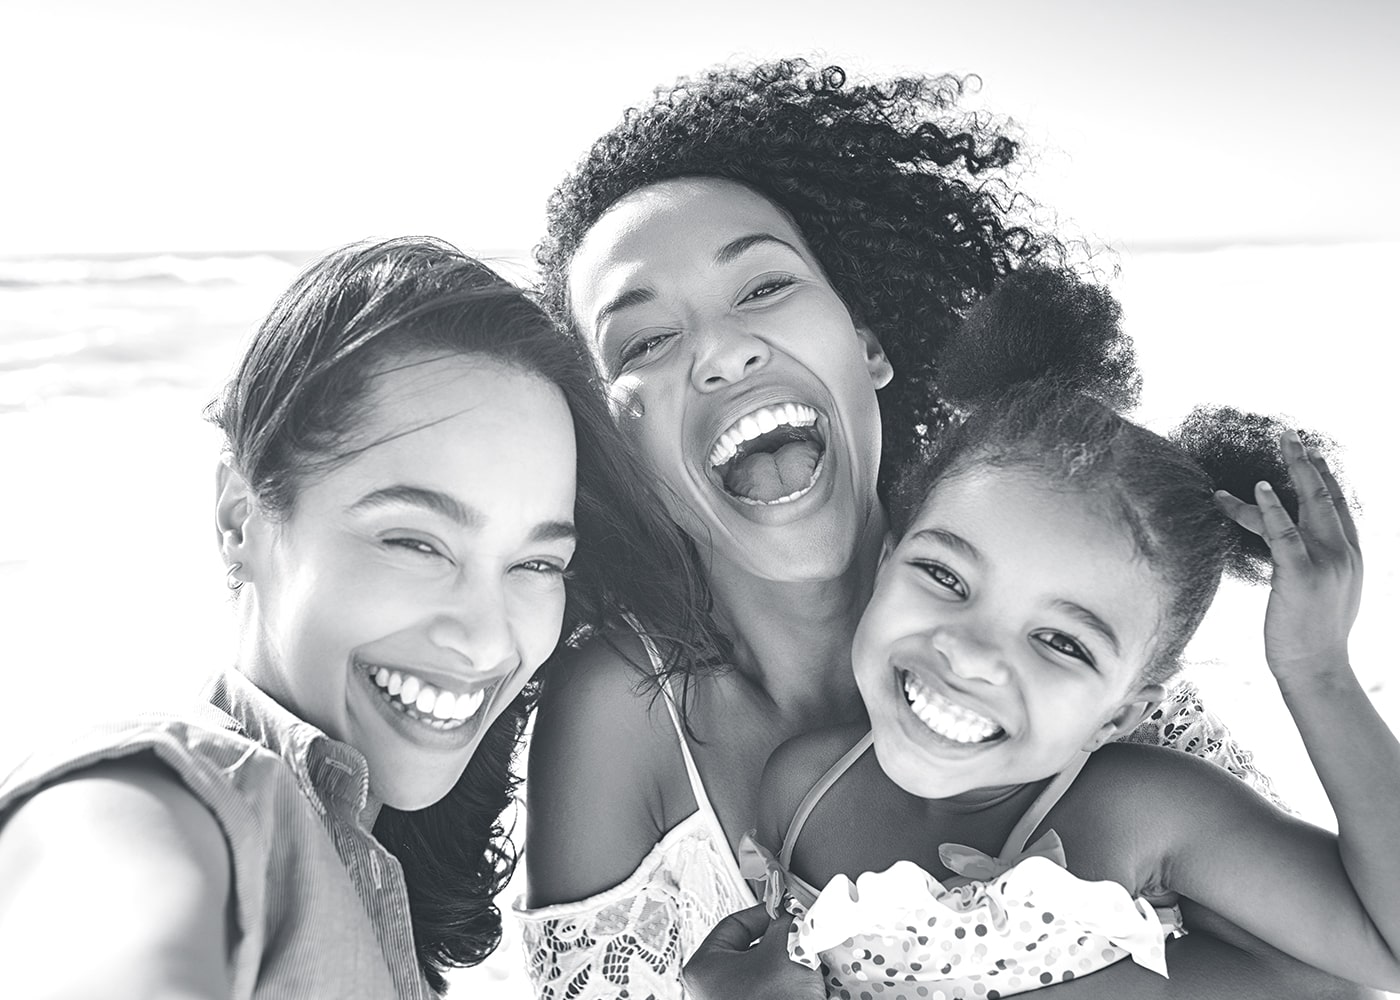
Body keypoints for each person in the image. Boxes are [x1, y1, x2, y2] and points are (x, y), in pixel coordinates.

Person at [516, 59, 1365, 997]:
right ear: (612, 442)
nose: (721, 351)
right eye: (644, 342)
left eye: (762, 288)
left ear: (870, 347)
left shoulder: (1090, 616)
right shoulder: (621, 713)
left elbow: (1337, 970)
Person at [0, 237, 708, 998]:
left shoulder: (359, 861)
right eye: (414, 541)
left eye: (535, 564)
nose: (486, 637)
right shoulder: (170, 796)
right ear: (242, 516)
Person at [739, 269, 1395, 996]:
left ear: (1121, 714)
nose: (971, 654)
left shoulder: (1141, 812)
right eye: (946, 578)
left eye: (1060, 642)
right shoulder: (799, 789)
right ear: (888, 561)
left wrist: (1318, 671)